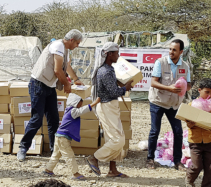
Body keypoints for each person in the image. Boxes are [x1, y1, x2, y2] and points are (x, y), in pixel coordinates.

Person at [17, 29, 84, 162]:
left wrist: (75, 79)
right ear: (71, 40)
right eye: (77, 43)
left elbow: (66, 67)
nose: (77, 46)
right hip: (38, 84)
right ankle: (23, 147)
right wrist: (67, 84)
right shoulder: (58, 46)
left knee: (53, 120)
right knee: (36, 119)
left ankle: (54, 150)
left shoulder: (65, 50)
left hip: (49, 87)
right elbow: (57, 70)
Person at [86, 42, 133, 178]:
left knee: (114, 138)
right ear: (109, 54)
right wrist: (125, 88)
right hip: (107, 107)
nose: (118, 55)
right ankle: (94, 158)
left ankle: (113, 170)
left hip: (110, 106)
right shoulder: (105, 71)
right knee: (118, 140)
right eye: (116, 53)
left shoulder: (108, 69)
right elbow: (113, 92)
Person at [146, 39, 191, 171]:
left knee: (178, 132)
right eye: (170, 49)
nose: (171, 52)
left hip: (174, 104)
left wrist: (184, 87)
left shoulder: (185, 66)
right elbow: (153, 82)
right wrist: (169, 88)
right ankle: (150, 159)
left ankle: (177, 161)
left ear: (181, 52)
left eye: (174, 50)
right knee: (154, 131)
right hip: (158, 101)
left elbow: (187, 85)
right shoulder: (161, 62)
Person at [44, 94, 100, 180]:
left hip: (59, 136)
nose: (80, 106)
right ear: (74, 103)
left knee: (56, 154)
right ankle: (75, 173)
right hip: (63, 138)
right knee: (69, 155)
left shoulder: (69, 111)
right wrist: (94, 103)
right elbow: (82, 110)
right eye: (79, 104)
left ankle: (48, 169)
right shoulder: (73, 111)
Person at [185, 78, 211, 187]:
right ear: (199, 90)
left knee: (209, 168)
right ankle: (189, 179)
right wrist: (191, 123)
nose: (209, 95)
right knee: (196, 165)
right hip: (195, 142)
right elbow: (188, 122)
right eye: (207, 92)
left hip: (208, 142)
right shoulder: (192, 105)